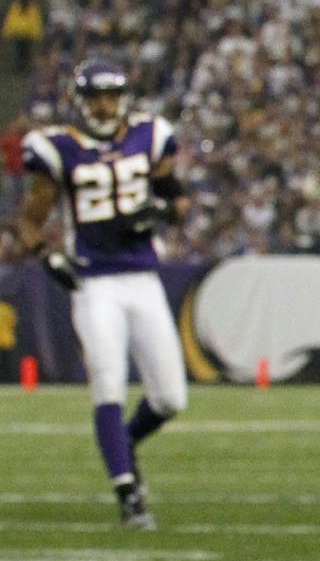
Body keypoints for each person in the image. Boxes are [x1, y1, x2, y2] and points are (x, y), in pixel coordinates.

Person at [11, 60, 189, 529]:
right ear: (80, 102)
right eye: (95, 98)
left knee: (171, 398)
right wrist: (47, 257)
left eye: (111, 96)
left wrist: (158, 211)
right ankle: (128, 492)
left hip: (143, 279)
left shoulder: (150, 136)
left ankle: (122, 445)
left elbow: (178, 201)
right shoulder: (59, 148)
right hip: (94, 283)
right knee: (108, 383)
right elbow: (30, 220)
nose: (104, 106)